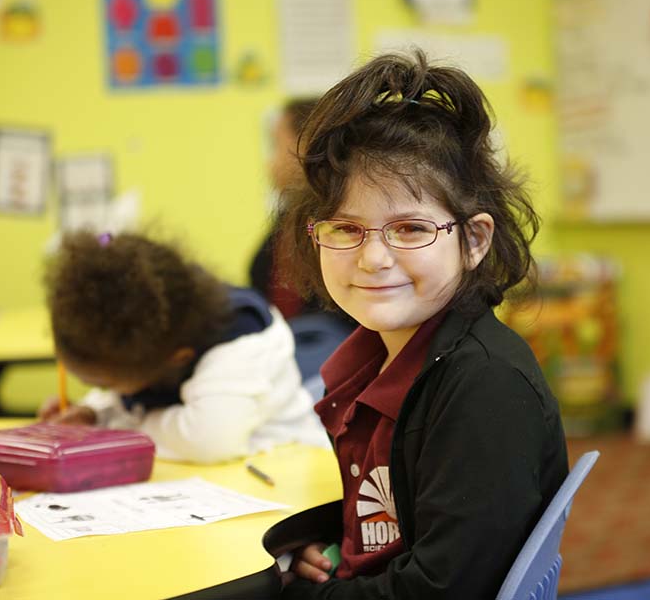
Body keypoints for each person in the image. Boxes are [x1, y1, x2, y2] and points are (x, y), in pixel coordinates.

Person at [276, 49, 569, 600]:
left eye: (410, 229)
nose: (373, 259)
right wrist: (327, 546)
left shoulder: (484, 387)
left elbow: (440, 591)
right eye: (346, 229)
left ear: (474, 241)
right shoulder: (374, 358)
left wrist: (295, 593)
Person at [38, 230, 328, 464]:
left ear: (178, 359)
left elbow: (209, 439)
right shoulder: (152, 341)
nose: (102, 390)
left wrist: (108, 428)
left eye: (104, 383)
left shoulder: (241, 338)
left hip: (286, 472)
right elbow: (138, 401)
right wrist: (93, 412)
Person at [250, 97, 355, 385]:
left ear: (307, 145)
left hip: (324, 355)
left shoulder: (338, 221)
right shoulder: (288, 218)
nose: (269, 163)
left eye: (276, 145)